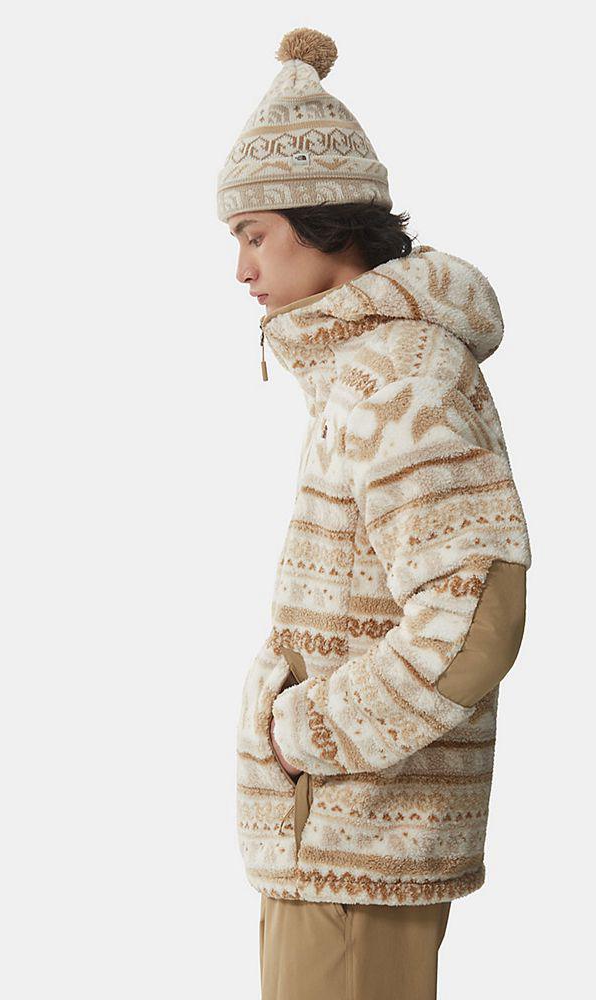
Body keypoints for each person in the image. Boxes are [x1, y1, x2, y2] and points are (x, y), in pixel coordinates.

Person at [217, 27, 532, 1000]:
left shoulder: (398, 373)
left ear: (325, 223)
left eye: (254, 234)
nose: (240, 270)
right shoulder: (369, 368)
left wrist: (304, 734)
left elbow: (476, 615)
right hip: (337, 843)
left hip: (357, 840)